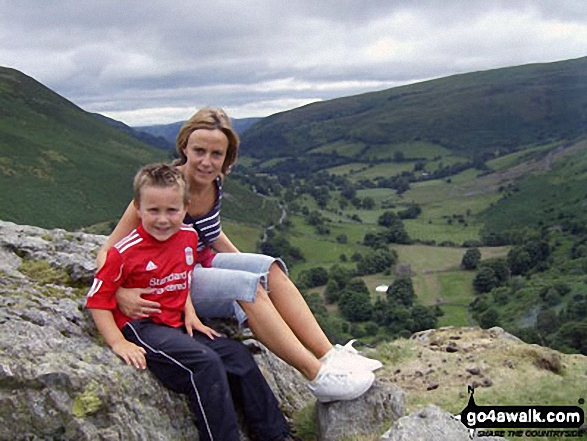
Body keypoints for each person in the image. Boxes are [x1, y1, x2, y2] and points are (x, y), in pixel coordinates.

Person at [96, 107, 381, 404]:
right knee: (247, 289)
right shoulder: (164, 188)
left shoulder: (215, 182)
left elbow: (212, 232)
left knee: (269, 270)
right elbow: (108, 249)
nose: (207, 162)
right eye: (199, 151)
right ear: (184, 148)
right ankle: (317, 376)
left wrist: (247, 264)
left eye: (216, 154)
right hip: (172, 279)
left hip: (202, 263)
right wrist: (119, 293)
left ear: (226, 157)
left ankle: (330, 356)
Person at [86, 164, 292, 441]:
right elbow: (97, 300)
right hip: (143, 326)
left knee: (238, 356)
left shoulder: (188, 237)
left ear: (185, 208)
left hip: (178, 323)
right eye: (153, 210)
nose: (162, 219)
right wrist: (117, 342)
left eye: (172, 210)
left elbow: (181, 277)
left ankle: (276, 435)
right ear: (138, 208)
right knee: (205, 364)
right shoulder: (124, 252)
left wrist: (190, 312)